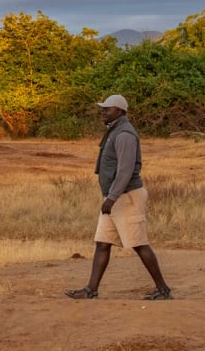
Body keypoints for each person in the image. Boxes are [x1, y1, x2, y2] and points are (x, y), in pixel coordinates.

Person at [67, 94, 174, 300]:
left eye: (107, 109)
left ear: (120, 111)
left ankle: (163, 290)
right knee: (103, 242)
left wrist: (111, 198)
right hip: (115, 198)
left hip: (126, 197)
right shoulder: (114, 131)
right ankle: (91, 289)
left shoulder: (124, 134)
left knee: (139, 243)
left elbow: (125, 171)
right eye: (103, 109)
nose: (103, 112)